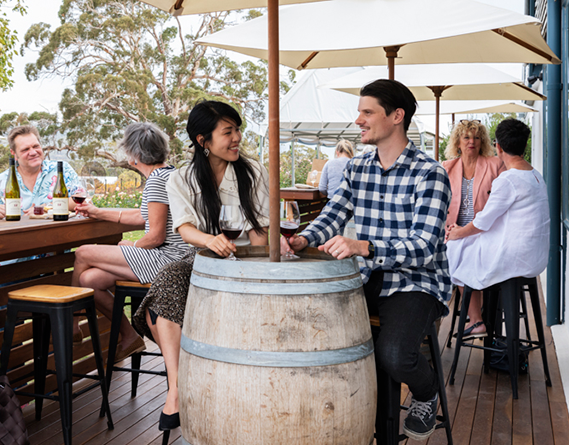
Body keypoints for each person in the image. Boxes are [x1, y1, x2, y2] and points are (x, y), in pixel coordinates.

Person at [285, 79, 452, 441]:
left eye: (367, 112)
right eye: (359, 112)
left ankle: (427, 393)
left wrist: (365, 247)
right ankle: (356, 420)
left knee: (393, 354)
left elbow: (424, 246)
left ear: (396, 116)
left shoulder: (430, 173)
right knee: (318, 335)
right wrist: (302, 238)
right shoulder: (357, 168)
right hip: (367, 277)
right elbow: (332, 215)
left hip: (417, 281)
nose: (358, 120)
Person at [130, 100, 270, 434]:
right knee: (168, 284)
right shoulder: (181, 179)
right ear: (202, 140)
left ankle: (192, 384)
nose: (236, 138)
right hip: (204, 260)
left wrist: (256, 267)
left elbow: (260, 232)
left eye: (237, 130)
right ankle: (177, 389)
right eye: (228, 132)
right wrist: (210, 241)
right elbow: (184, 228)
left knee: (168, 295)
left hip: (247, 263)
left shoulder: (253, 172)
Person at [71, 123, 188, 361]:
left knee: (82, 253)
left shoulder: (156, 180)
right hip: (179, 259)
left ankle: (72, 321)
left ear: (133, 155)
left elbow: (155, 237)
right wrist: (97, 212)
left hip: (168, 260)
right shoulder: (170, 173)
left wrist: (131, 246)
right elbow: (143, 216)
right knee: (89, 279)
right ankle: (130, 335)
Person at [446, 118, 549, 290]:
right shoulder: (536, 175)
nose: (472, 141)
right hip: (535, 256)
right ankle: (481, 313)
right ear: (524, 146)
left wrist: (457, 233)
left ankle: (474, 315)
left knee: (455, 248)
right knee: (462, 247)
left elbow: (483, 221)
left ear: (498, 147)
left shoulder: (508, 179)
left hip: (515, 258)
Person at [442, 120, 505, 337]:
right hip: (457, 232)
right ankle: (476, 318)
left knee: (461, 253)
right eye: (466, 137)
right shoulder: (446, 168)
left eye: (476, 137)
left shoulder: (494, 164)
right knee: (456, 249)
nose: (472, 141)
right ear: (458, 142)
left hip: (486, 232)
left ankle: (477, 320)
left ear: (483, 142)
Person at [0, 125, 80, 216]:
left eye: (36, 146)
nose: (33, 152)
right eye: (25, 149)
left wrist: (46, 208)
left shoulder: (62, 170)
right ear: (14, 154)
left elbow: (82, 200)